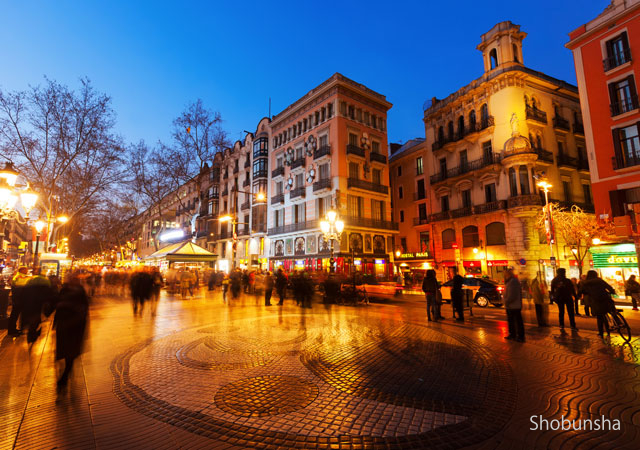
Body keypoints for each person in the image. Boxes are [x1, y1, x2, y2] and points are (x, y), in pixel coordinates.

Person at [52, 273, 89, 391]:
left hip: (71, 324)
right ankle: (66, 370)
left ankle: (65, 374)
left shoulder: (70, 291)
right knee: (68, 349)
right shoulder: (71, 290)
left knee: (68, 350)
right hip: (70, 324)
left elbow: (83, 308)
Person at [22, 269, 55, 344]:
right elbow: (50, 294)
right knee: (37, 317)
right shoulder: (45, 282)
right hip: (40, 303)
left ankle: (31, 331)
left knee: (31, 316)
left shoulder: (30, 281)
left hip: (30, 302)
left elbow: (24, 293)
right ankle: (33, 332)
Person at [579, 270, 616, 337]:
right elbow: (608, 287)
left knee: (600, 317)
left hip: (596, 301)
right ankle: (617, 323)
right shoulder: (599, 280)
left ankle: (601, 333)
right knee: (610, 310)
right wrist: (612, 292)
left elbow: (582, 291)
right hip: (605, 298)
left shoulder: (586, 283)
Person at [8, 267, 31, 337]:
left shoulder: (19, 276)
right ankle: (12, 330)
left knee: (15, 315)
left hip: (18, 299)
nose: (27, 271)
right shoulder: (19, 277)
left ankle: (13, 329)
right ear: (22, 270)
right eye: (25, 270)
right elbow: (21, 286)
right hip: (18, 299)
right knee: (15, 315)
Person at [504, 268, 525, 342]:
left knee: (516, 321)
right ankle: (513, 334)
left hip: (513, 306)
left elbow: (512, 295)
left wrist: (506, 301)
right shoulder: (511, 281)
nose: (505, 275)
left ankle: (519, 336)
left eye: (506, 273)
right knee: (512, 321)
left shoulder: (513, 282)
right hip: (512, 305)